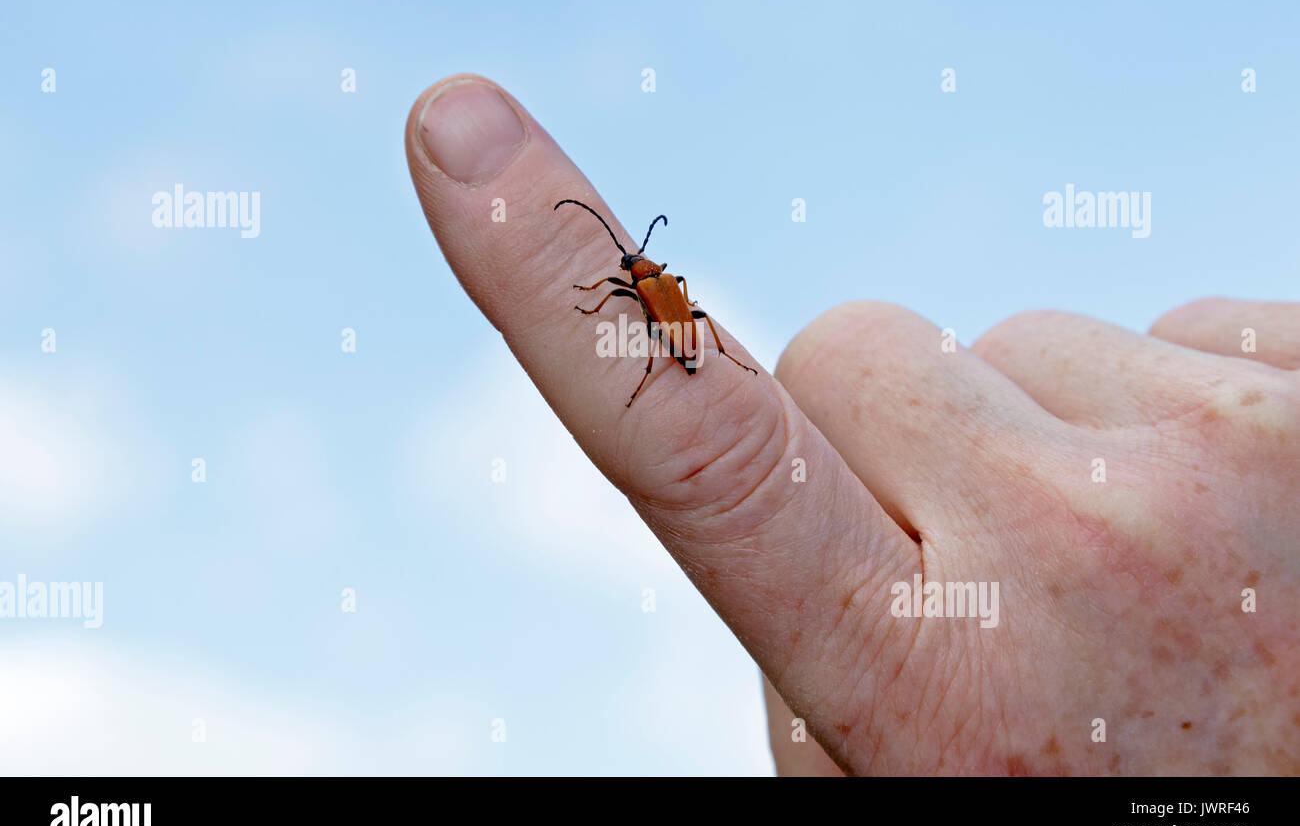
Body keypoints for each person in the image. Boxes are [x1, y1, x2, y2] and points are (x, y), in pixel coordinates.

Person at [405, 74, 1300, 775]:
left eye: (635, 259)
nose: (633, 267)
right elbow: (621, 290)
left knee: (671, 339)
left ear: (644, 267)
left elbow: (626, 297)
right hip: (680, 335)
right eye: (633, 262)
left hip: (676, 337)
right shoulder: (648, 284)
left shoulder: (650, 289)